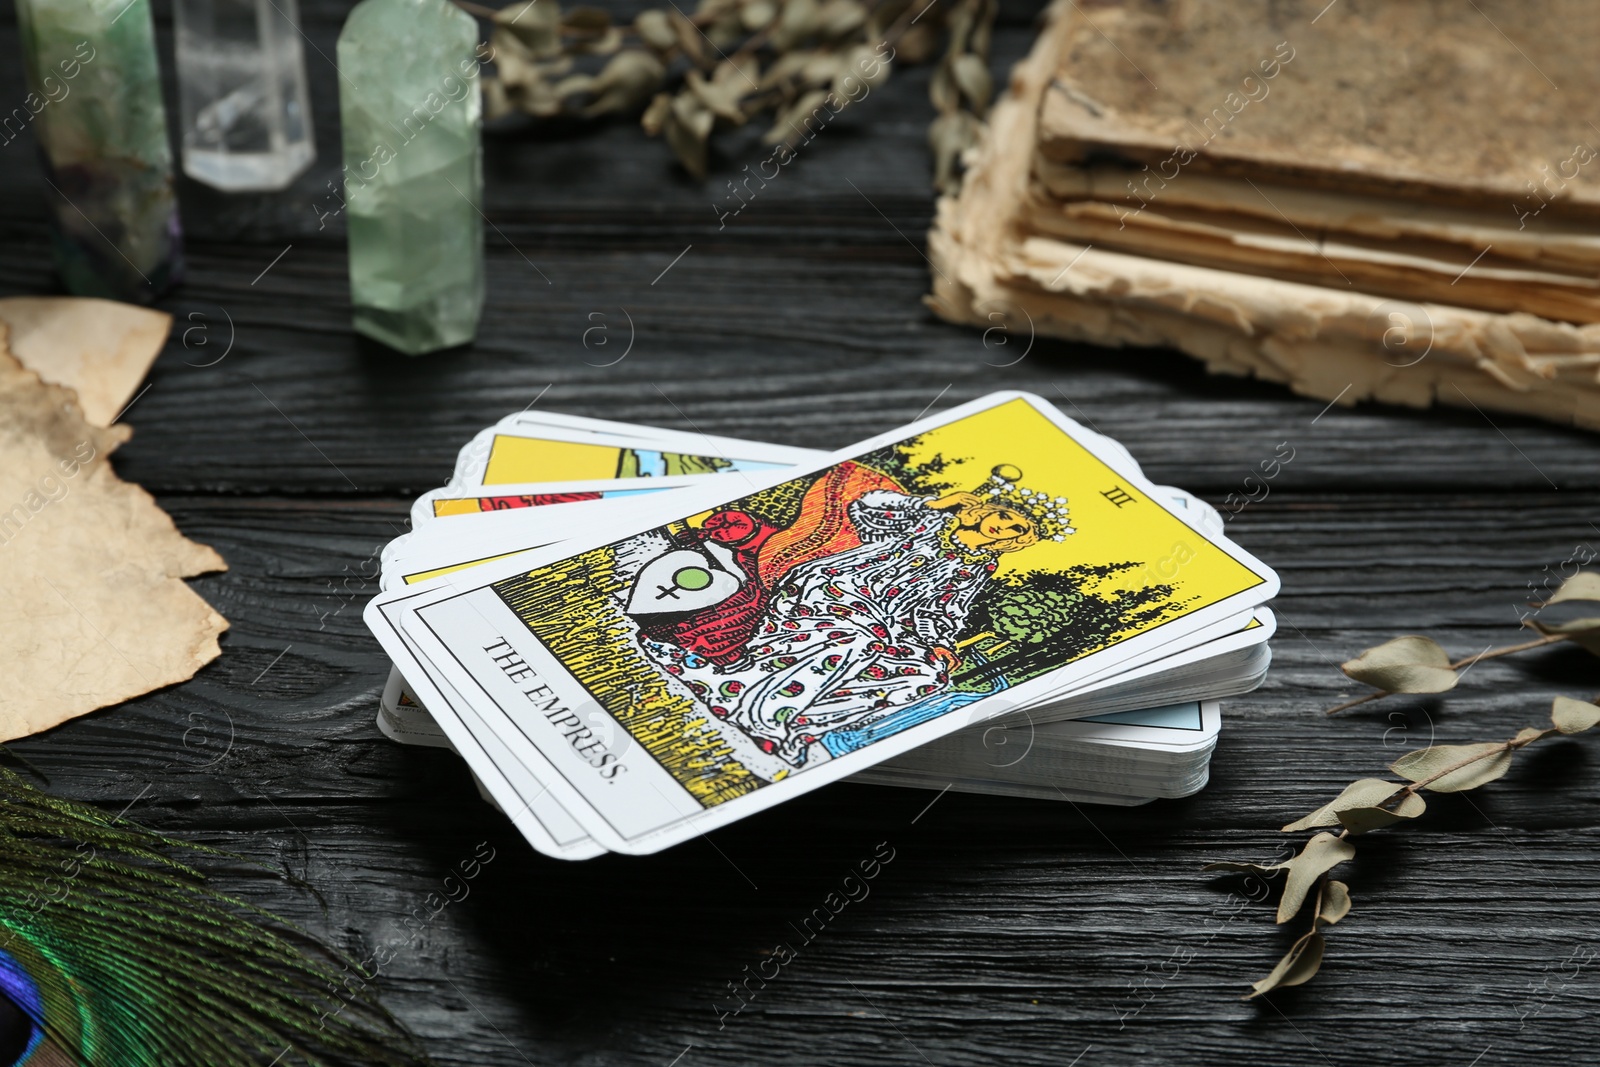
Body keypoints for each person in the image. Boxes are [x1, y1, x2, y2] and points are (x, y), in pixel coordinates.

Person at [638, 468, 1073, 766]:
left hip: (883, 619)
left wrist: (937, 644)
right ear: (983, 510)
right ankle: (759, 707)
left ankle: (796, 725)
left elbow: (941, 611)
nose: (1004, 527)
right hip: (833, 587)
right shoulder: (927, 524)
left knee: (922, 675)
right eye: (1003, 516)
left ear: (1017, 544)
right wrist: (937, 504)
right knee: (852, 642)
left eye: (1017, 531)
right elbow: (866, 507)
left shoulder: (977, 568)